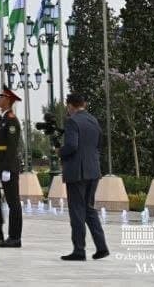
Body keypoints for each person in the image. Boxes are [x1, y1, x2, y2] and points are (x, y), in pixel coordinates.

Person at [58, 93, 109, 262]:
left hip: (77, 173)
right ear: (83, 104)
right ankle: (101, 247)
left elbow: (72, 146)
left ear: (70, 106)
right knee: (89, 209)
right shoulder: (93, 120)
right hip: (93, 171)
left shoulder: (72, 121)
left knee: (77, 211)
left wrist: (60, 152)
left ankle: (79, 250)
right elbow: (99, 144)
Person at [0, 87, 23, 248]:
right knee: (11, 202)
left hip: (9, 167)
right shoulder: (3, 119)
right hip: (3, 165)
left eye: (1, 96)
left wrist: (6, 168)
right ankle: (12, 236)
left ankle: (15, 237)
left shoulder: (11, 120)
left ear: (8, 100)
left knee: (13, 203)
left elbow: (11, 147)